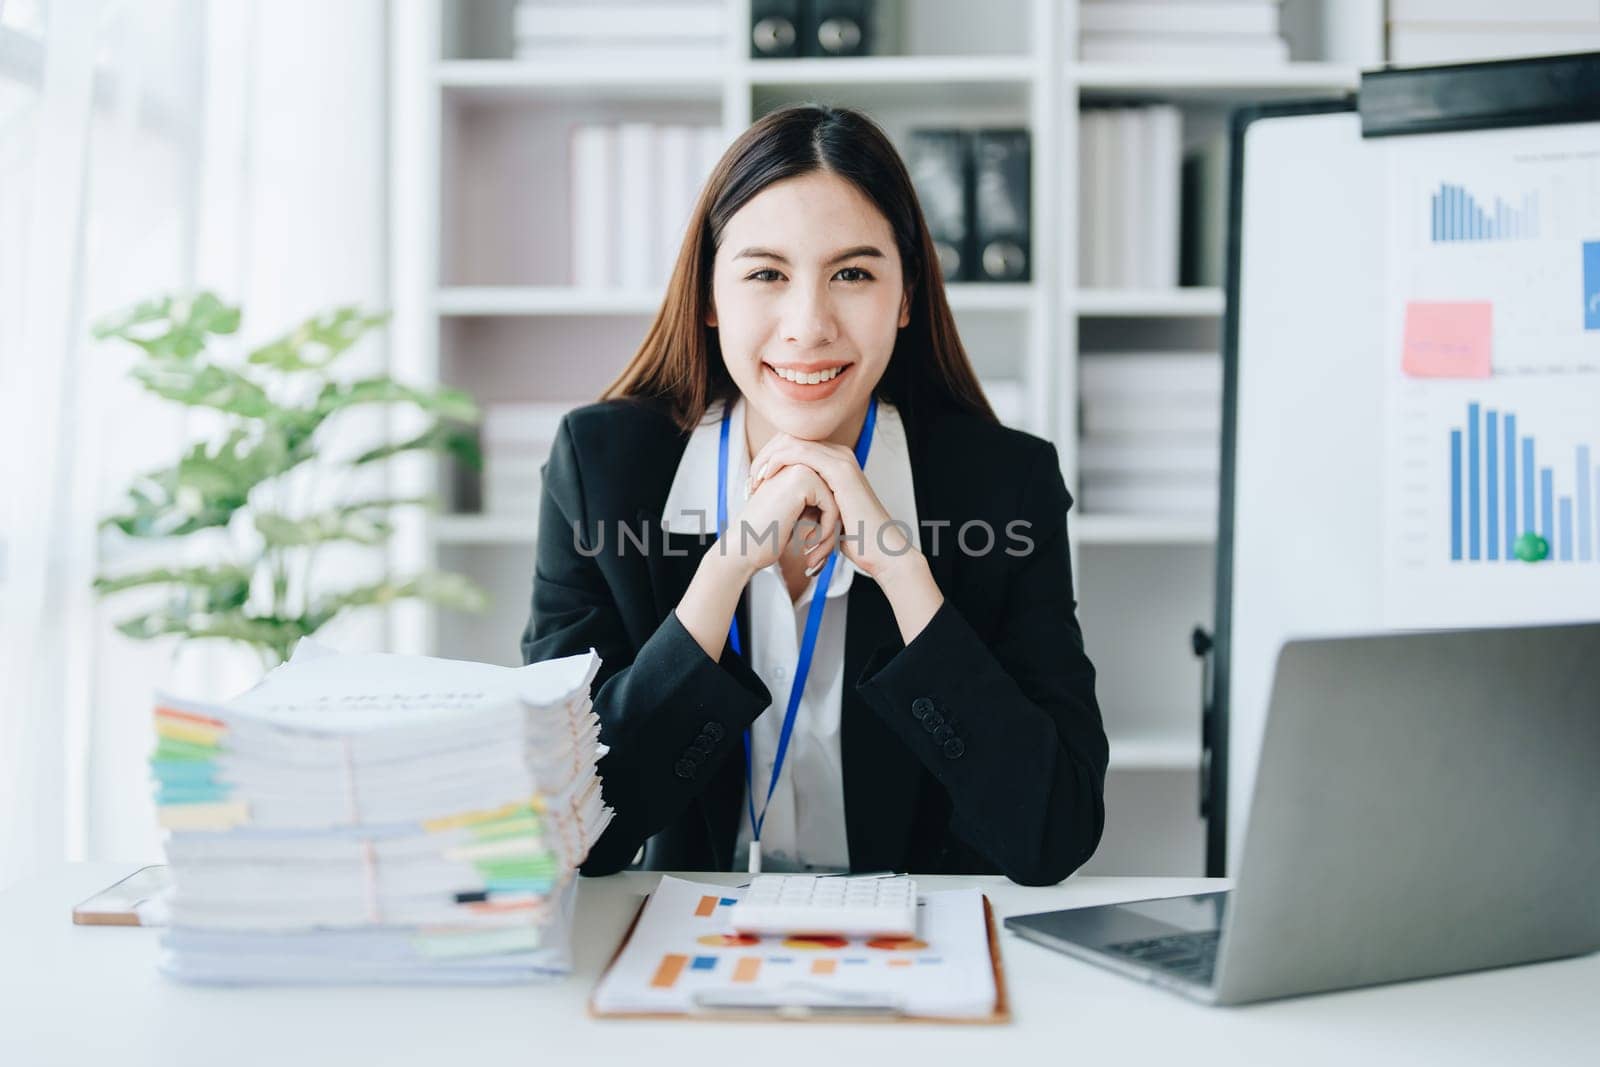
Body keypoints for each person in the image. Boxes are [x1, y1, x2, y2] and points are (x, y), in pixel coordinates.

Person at [522, 104, 1106, 886]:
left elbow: (1052, 833)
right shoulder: (603, 472)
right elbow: (574, 832)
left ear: (906, 298)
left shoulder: (1006, 488)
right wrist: (722, 574)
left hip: (915, 945)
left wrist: (903, 572)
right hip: (688, 946)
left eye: (854, 274)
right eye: (766, 274)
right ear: (709, 297)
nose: (808, 324)